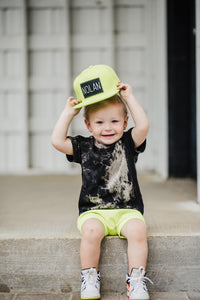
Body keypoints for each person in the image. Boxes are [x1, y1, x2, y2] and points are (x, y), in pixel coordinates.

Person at [51, 65, 152, 300]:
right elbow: (57, 141)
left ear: (125, 122)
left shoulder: (128, 142)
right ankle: (89, 277)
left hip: (127, 210)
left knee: (138, 230)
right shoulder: (84, 147)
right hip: (94, 211)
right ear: (88, 126)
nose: (108, 127)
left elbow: (144, 126)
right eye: (99, 123)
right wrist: (68, 113)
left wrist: (129, 97)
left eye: (115, 121)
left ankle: (135, 281)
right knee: (91, 232)